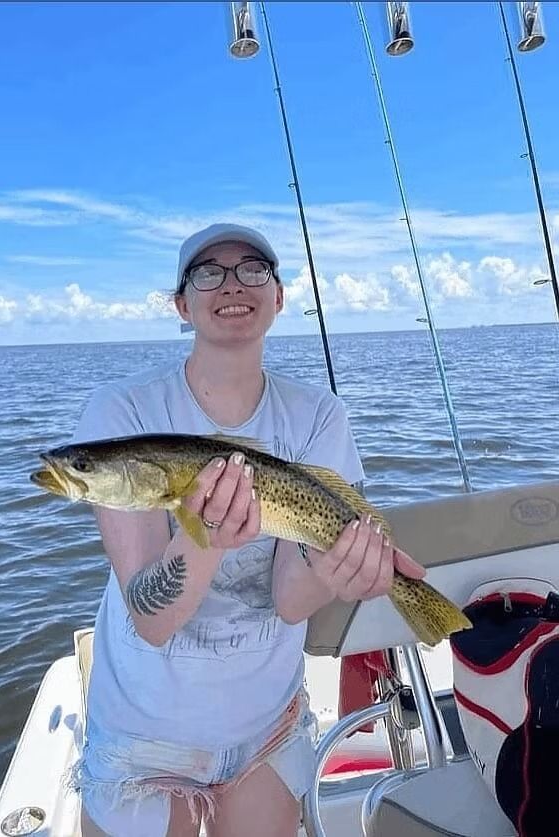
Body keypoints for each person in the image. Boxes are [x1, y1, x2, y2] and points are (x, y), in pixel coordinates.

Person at [70, 223, 426, 837]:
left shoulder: (318, 415)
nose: (232, 284)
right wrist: (205, 534)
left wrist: (333, 570)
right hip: (144, 738)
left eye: (253, 269)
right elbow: (153, 620)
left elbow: (291, 601)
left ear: (280, 296)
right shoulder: (122, 414)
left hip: (267, 725)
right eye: (208, 272)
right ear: (182, 304)